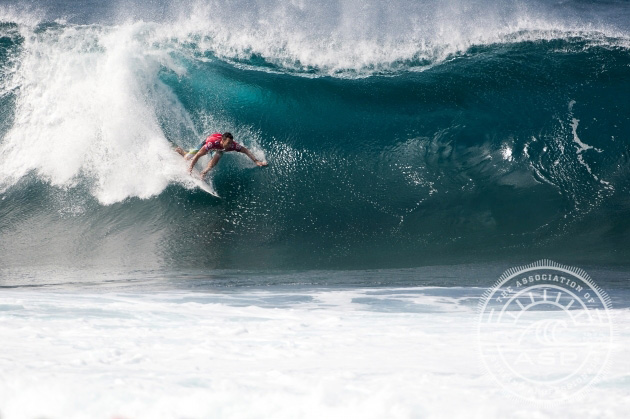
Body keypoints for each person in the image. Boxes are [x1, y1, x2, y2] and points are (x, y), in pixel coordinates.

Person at [175, 132, 267, 179]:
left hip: (219, 150)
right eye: (228, 143)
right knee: (187, 158)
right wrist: (190, 167)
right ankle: (183, 152)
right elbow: (199, 155)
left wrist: (256, 161)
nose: (230, 145)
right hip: (208, 143)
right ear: (222, 141)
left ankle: (203, 173)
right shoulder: (211, 143)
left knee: (215, 159)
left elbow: (246, 150)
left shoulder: (233, 145)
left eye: (231, 143)